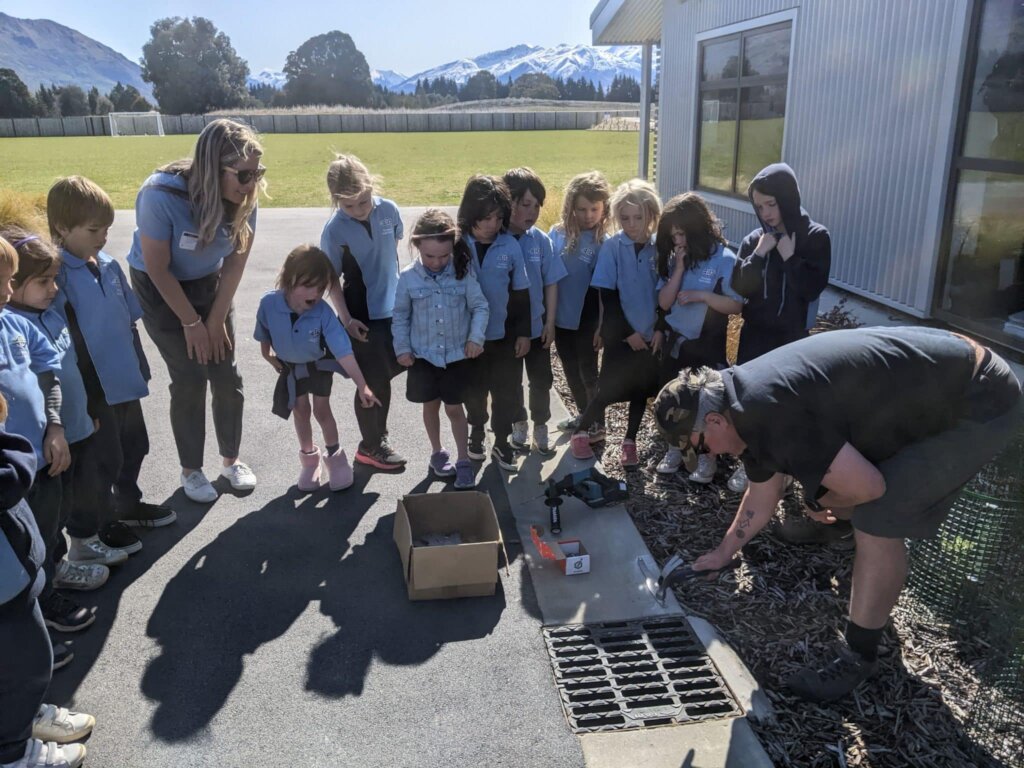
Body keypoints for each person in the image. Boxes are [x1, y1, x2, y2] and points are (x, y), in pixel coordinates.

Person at [652, 326, 1022, 702]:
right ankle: (839, 530)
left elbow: (870, 488)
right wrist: (722, 554)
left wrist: (824, 502)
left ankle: (858, 655)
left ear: (713, 421)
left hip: (978, 399)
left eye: (701, 446)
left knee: (877, 515)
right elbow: (762, 494)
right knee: (840, 497)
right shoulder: (737, 404)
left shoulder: (771, 411)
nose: (708, 455)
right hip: (933, 382)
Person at [3, 227, 129, 642]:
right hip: (14, 468)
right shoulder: (15, 316)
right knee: (26, 542)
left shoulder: (17, 325)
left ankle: (49, 591)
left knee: (49, 524)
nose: (54, 288)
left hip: (47, 454)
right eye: (43, 281)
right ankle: (36, 619)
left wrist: (55, 425)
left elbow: (51, 373)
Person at [127, 118, 262, 503]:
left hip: (209, 283)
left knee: (225, 372)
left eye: (258, 172)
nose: (252, 183)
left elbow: (235, 263)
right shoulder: (159, 196)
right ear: (212, 168)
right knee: (188, 376)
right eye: (245, 174)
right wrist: (191, 322)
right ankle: (191, 470)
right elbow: (157, 267)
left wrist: (215, 319)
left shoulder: (246, 199)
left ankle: (230, 461)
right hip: (160, 287)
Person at [49, 177, 174, 539]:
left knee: (134, 446)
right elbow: (64, 344)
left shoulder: (108, 265)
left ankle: (128, 503)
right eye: (93, 230)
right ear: (61, 227)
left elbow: (129, 322)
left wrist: (141, 365)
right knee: (100, 460)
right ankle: (98, 524)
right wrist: (81, 398)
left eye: (106, 229)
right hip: (93, 389)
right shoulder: (57, 277)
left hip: (124, 381)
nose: (102, 237)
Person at [0, 389, 95, 768]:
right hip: (4, 585)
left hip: (12, 573)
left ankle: (23, 716)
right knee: (27, 663)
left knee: (20, 663)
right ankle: (13, 751)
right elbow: (10, 477)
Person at [728, 162, 831, 493]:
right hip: (755, 335)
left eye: (772, 204)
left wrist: (790, 257)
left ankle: (783, 472)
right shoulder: (754, 240)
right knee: (751, 406)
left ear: (787, 198)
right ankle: (753, 468)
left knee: (787, 407)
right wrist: (759, 255)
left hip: (791, 339)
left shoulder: (815, 237)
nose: (766, 213)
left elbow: (810, 289)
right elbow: (740, 286)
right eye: (759, 206)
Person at [254, 245, 380, 492]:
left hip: (318, 366)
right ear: (289, 279)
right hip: (291, 367)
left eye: (322, 288)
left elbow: (343, 351)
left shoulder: (323, 311)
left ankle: (336, 460)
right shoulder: (269, 303)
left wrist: (362, 385)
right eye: (309, 285)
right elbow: (264, 332)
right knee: (301, 410)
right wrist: (267, 355)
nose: (317, 293)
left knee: (322, 410)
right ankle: (310, 462)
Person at [320, 154, 406, 471]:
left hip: (395, 309)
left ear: (371, 187)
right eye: (349, 206)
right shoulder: (334, 231)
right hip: (360, 315)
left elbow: (392, 252)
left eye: (364, 201)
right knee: (373, 380)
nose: (359, 210)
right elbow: (331, 279)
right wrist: (345, 319)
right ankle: (371, 445)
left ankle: (376, 437)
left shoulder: (390, 210)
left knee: (394, 370)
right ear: (336, 202)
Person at [392, 209, 489, 489]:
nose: (437, 262)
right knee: (430, 406)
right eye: (430, 256)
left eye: (444, 256)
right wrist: (402, 349)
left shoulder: (463, 273)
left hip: (456, 356)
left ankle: (463, 460)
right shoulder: (408, 278)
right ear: (417, 246)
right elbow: (400, 316)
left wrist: (475, 338)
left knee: (455, 409)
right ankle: (437, 452)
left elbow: (480, 306)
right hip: (423, 357)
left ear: (453, 248)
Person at [570, 179, 663, 467]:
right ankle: (581, 431)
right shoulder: (612, 247)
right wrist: (627, 333)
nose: (632, 224)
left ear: (651, 215)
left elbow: (665, 295)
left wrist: (658, 329)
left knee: (640, 389)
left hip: (650, 335)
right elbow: (607, 296)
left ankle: (629, 441)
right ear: (616, 216)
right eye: (624, 218)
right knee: (607, 388)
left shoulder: (659, 248)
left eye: (639, 217)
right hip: (620, 334)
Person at [653, 194, 742, 482]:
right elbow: (664, 303)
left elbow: (736, 305)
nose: (678, 240)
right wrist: (678, 268)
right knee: (675, 400)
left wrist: (702, 295)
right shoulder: (677, 257)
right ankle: (675, 448)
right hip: (676, 344)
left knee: (707, 404)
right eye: (674, 235)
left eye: (682, 233)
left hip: (707, 343)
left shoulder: (724, 259)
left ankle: (707, 458)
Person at [458, 175, 532, 472]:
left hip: (503, 336)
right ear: (470, 214)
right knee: (473, 390)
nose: (491, 224)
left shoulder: (510, 247)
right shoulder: (457, 244)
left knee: (506, 392)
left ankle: (501, 442)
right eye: (485, 217)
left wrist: (524, 332)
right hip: (468, 338)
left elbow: (521, 293)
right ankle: (476, 430)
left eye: (498, 217)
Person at [503, 168, 567, 456]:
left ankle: (541, 426)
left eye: (537, 205)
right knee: (510, 381)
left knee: (541, 380)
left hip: (537, 326)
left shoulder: (541, 241)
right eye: (524, 204)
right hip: (506, 330)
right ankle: (518, 423)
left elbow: (551, 283)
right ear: (507, 202)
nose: (532, 212)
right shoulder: (496, 240)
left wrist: (550, 321)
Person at [550, 171, 611, 444]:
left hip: (586, 316)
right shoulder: (557, 232)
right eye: (582, 209)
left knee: (589, 372)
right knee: (570, 369)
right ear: (571, 207)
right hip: (561, 315)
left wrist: (601, 325)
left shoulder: (603, 242)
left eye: (594, 209)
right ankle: (582, 416)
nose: (588, 215)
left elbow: (603, 290)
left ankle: (598, 423)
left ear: (604, 209)